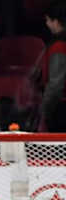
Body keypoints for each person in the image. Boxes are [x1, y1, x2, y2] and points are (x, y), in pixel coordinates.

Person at [39, 0, 66, 132]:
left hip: (61, 111)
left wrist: (44, 112)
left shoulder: (59, 47)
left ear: (56, 21)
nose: (47, 24)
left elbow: (55, 86)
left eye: (48, 20)